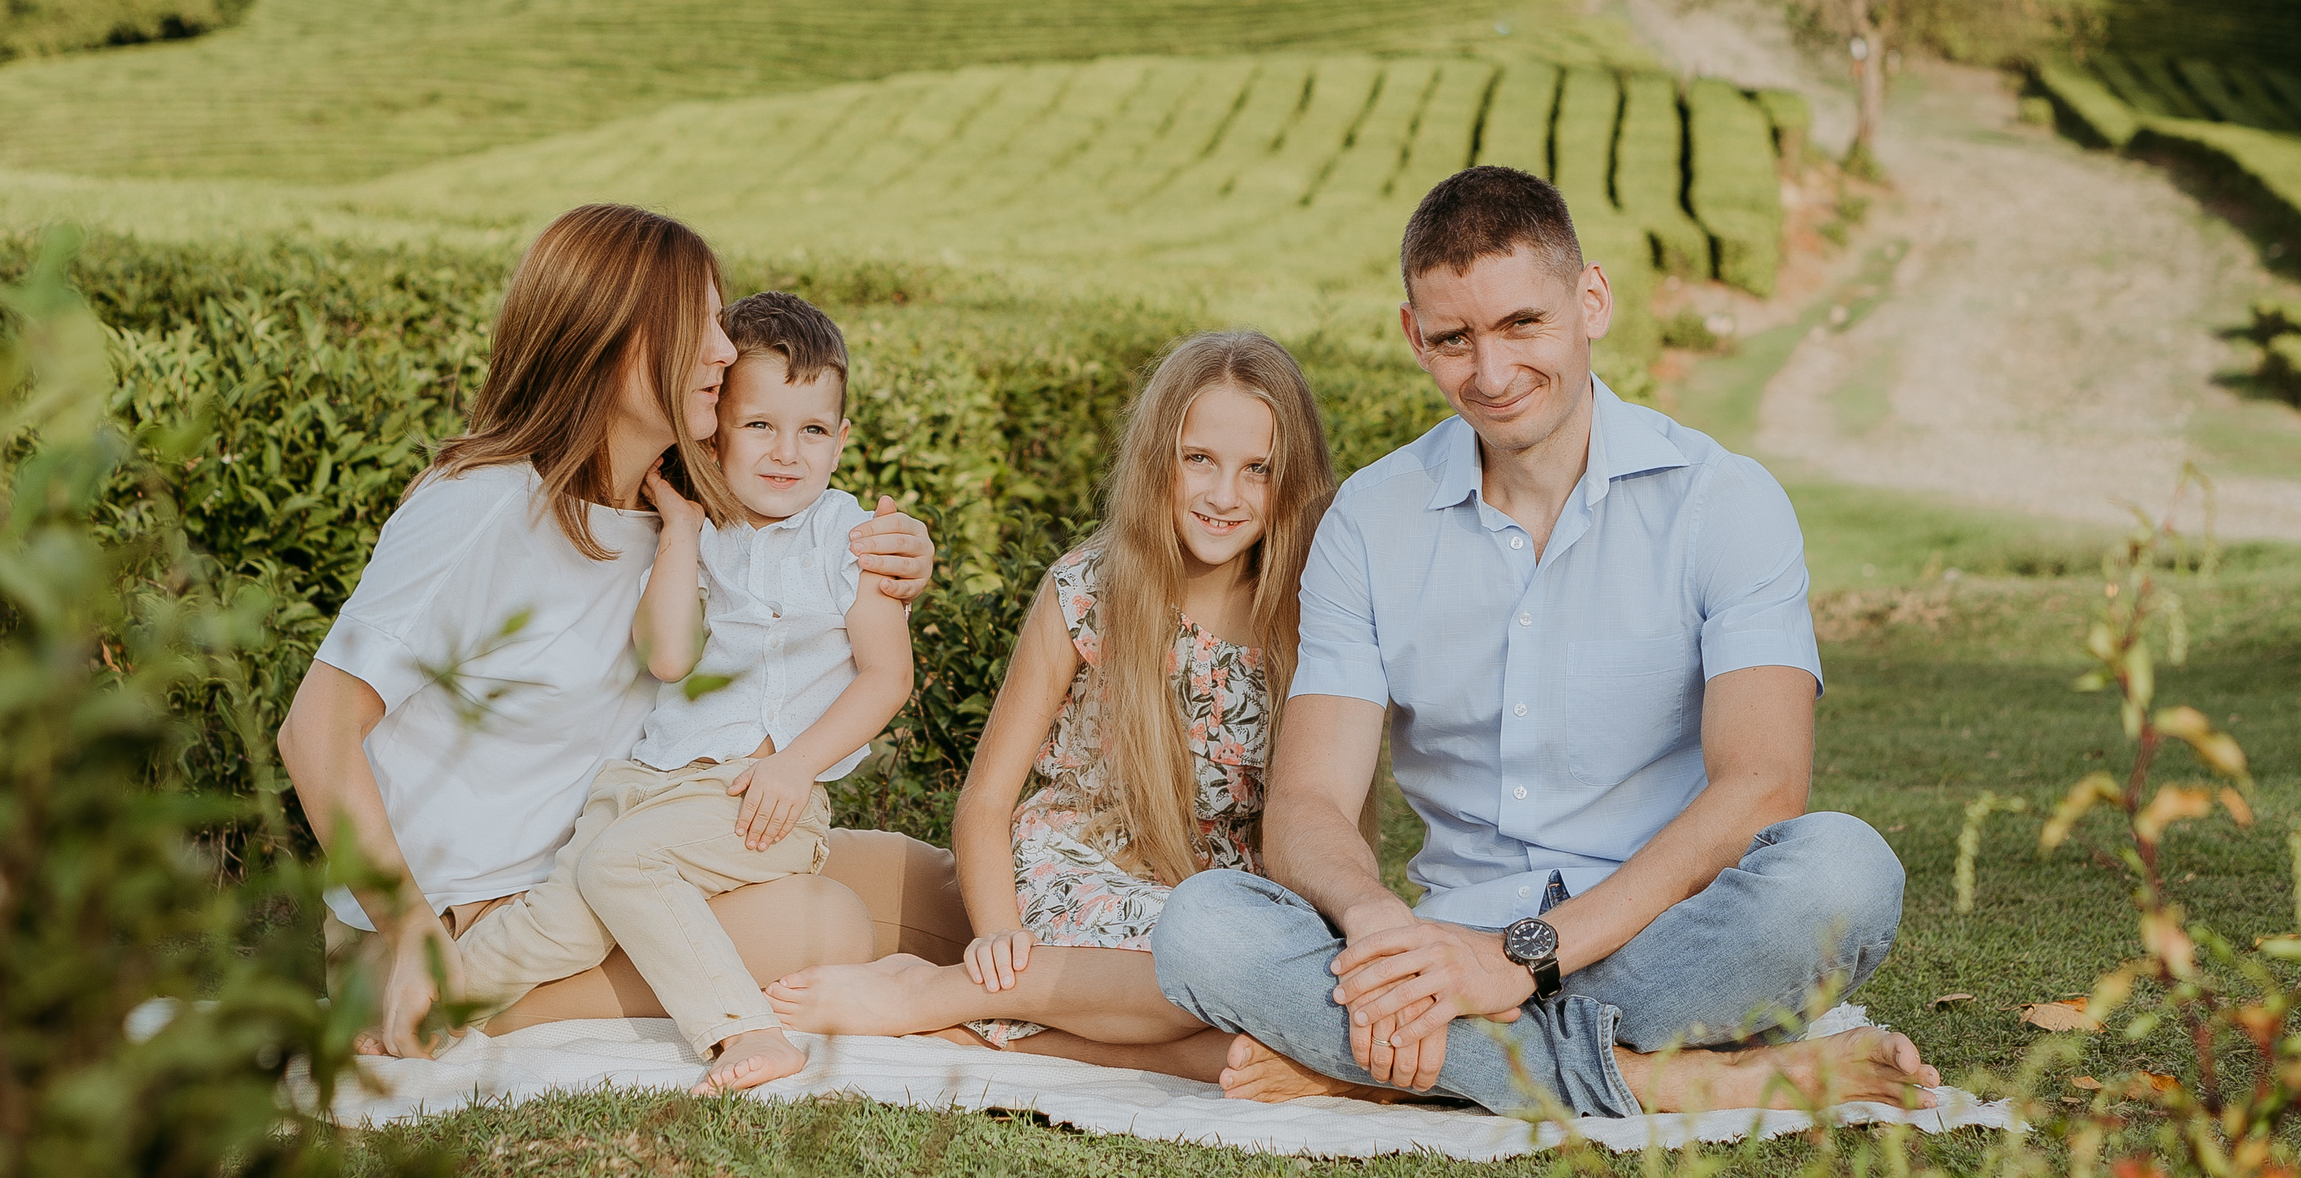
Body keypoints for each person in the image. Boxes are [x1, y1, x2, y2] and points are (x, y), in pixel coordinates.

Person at [1148, 166, 1940, 1117]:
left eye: (1522, 323)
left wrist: (1520, 961)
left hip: (1664, 940)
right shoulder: (1368, 519)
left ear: (1591, 299)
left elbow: (1764, 784)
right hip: (1451, 948)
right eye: (1454, 338)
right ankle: (1674, 1077)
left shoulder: (1723, 500)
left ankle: (1402, 1064)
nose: (1490, 374)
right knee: (1201, 926)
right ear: (1414, 336)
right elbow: (1308, 801)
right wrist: (1380, 926)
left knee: (1845, 872)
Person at [275, 204, 965, 1060]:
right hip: (470, 920)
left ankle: (1094, 1001)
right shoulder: (480, 506)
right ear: (612, 344)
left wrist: (896, 554)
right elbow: (315, 730)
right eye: (698, 324)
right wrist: (411, 929)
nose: (725, 349)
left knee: (937, 890)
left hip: (638, 837)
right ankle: (452, 1005)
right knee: (827, 926)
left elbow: (801, 563)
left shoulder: (682, 508)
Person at [767, 331, 1337, 1083]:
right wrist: (997, 942)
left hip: (1223, 907)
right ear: (1157, 459)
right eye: (1198, 459)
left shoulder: (1309, 616)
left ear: (1290, 479)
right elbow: (985, 801)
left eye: (1256, 469)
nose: (1224, 495)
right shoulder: (1090, 589)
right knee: (1206, 978)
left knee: (1247, 1007)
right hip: (1079, 877)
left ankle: (976, 1023)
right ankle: (948, 993)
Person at [452, 291, 915, 1093]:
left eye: (812, 430)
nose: (787, 452)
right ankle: (422, 1004)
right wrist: (682, 530)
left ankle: (746, 1031)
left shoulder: (853, 540)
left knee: (620, 864)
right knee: (562, 920)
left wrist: (794, 764)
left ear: (842, 441)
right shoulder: (701, 534)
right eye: (760, 424)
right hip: (645, 783)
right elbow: (667, 656)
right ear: (715, 431)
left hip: (760, 796)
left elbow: (888, 675)